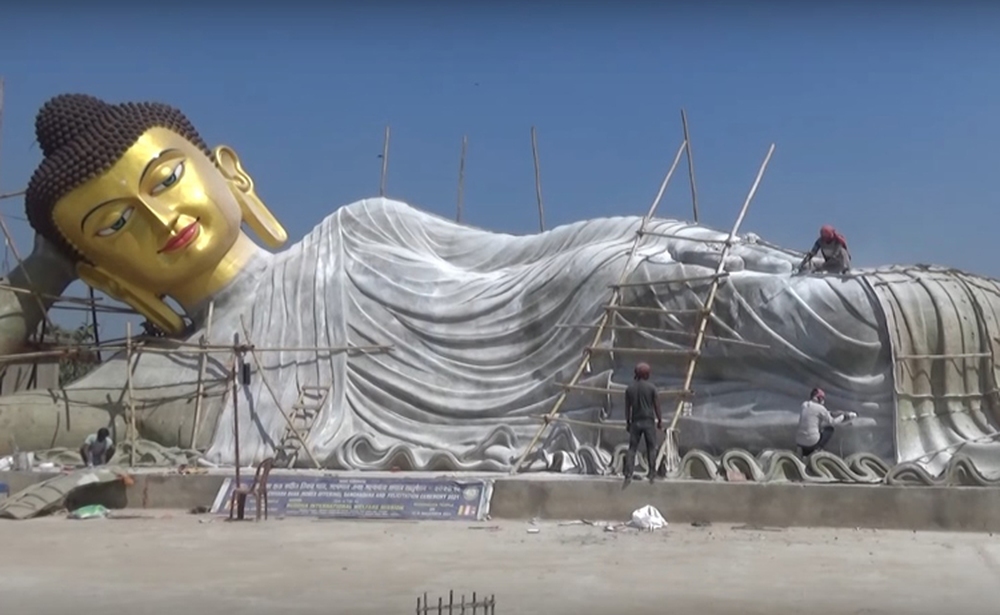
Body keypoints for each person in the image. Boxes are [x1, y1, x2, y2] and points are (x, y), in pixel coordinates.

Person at [623, 362, 663, 486]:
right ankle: (652, 473)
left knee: (632, 448)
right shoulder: (652, 388)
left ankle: (628, 474)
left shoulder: (630, 389)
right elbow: (656, 406)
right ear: (646, 374)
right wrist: (660, 420)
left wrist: (628, 422)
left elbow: (627, 408)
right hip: (648, 421)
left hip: (635, 421)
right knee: (651, 447)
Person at [795, 388, 856, 457]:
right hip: (811, 442)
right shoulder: (820, 408)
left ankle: (805, 452)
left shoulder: (804, 405)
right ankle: (817, 449)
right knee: (829, 429)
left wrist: (834, 413)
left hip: (799, 441)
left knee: (815, 430)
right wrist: (843, 416)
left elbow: (818, 414)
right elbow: (832, 422)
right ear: (819, 398)